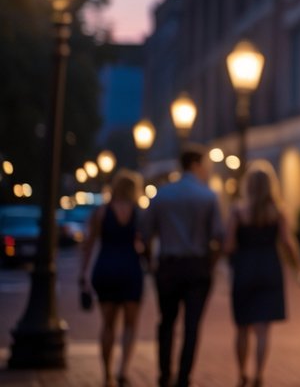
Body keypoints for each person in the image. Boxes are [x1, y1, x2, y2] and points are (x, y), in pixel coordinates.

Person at [142, 144, 223, 387]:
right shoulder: (208, 196)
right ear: (195, 164)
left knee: (166, 322)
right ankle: (184, 377)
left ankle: (164, 374)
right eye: (205, 164)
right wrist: (211, 264)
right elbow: (218, 236)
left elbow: (145, 233)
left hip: (168, 265)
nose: (207, 170)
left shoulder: (162, 195)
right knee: (191, 326)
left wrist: (150, 263)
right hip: (197, 266)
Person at [224, 161, 300, 387]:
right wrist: (299, 266)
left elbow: (229, 245)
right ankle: (259, 373)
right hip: (270, 268)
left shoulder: (238, 211)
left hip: (244, 268)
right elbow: (288, 242)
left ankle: (242, 373)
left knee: (242, 327)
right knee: (263, 330)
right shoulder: (278, 212)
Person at [78, 169, 146, 387]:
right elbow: (145, 243)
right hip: (130, 268)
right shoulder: (138, 213)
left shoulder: (101, 212)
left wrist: (83, 273)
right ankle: (123, 370)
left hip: (106, 267)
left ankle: (107, 374)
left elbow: (88, 245)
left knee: (108, 324)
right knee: (130, 324)